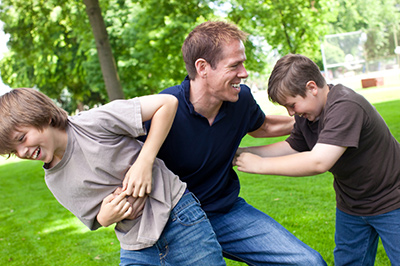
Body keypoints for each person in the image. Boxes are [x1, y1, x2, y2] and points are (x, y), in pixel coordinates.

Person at [141, 21, 327, 265]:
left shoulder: (241, 99)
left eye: (243, 62)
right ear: (203, 67)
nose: (244, 72)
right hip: (175, 222)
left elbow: (265, 127)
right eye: (235, 65)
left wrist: (320, 113)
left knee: (309, 263)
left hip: (225, 212)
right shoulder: (164, 108)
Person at [0, 88, 226, 266]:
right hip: (135, 243)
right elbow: (96, 219)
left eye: (21, 139)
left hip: (178, 216)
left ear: (43, 117)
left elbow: (166, 104)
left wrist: (144, 162)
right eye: (13, 151)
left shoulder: (92, 122)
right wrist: (104, 218)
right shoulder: (54, 180)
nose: (22, 153)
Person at [234, 53, 400, 265]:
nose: (291, 113)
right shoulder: (309, 116)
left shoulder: (345, 106)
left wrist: (260, 165)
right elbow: (291, 147)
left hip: (392, 200)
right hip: (352, 205)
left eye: (292, 105)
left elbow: (319, 161)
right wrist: (238, 154)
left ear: (312, 87)